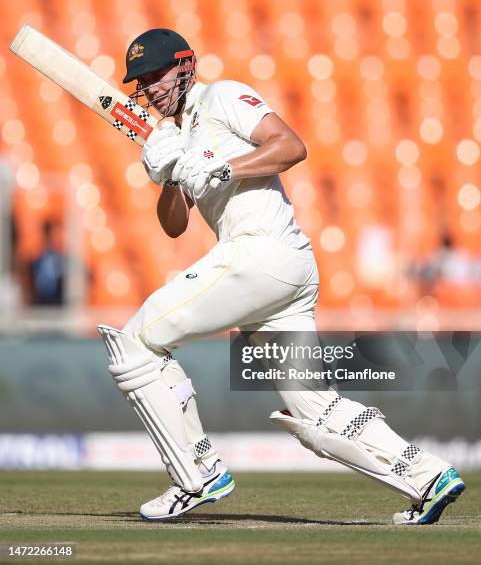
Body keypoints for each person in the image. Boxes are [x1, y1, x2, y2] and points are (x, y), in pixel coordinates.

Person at [98, 29, 464, 523]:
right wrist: (169, 175)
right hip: (280, 276)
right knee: (313, 408)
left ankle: (196, 474)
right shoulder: (174, 137)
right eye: (142, 81)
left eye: (157, 74)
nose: (151, 87)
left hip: (262, 254)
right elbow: (173, 225)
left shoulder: (221, 96)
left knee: (136, 341)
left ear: (185, 66)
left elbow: (290, 146)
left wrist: (221, 169)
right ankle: (427, 476)